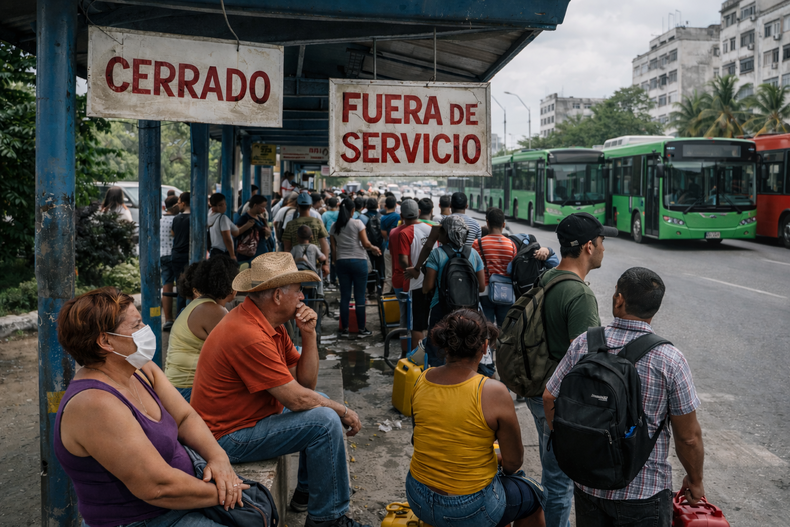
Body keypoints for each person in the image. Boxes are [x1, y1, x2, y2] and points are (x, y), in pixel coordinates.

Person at [191, 253, 370, 527]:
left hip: (250, 420)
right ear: (277, 296)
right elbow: (297, 399)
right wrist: (343, 409)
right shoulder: (248, 333)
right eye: (298, 292)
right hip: (227, 438)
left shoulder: (268, 322)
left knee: (320, 402)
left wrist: (309, 333)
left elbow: (305, 384)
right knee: (325, 420)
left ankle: (306, 494)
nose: (301, 298)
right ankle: (328, 520)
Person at [55, 287, 249, 527]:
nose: (145, 330)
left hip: (182, 498)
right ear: (105, 341)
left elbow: (185, 416)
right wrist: (230, 491)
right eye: (136, 326)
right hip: (143, 519)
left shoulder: (141, 370)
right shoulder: (94, 404)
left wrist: (219, 458)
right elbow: (157, 487)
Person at [543, 268, 704, 527]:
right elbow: (688, 437)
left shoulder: (584, 343)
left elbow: (550, 397)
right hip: (643, 493)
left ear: (619, 299)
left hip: (588, 485)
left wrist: (574, 444)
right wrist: (695, 481)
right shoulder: (670, 359)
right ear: (654, 309)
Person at [407, 309, 546, 527]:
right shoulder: (493, 391)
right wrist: (496, 458)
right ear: (484, 347)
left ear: (445, 344)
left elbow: (422, 439)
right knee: (532, 496)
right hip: (468, 508)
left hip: (418, 496)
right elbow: (513, 462)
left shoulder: (422, 379)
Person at [525, 212, 617, 527]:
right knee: (560, 484)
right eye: (603, 241)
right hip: (558, 400)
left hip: (538, 390)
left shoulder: (549, 277)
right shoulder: (579, 293)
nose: (605, 248)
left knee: (553, 474)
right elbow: (588, 363)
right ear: (589, 246)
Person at [165, 256, 238, 403]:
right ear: (230, 284)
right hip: (186, 390)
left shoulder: (201, 304)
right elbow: (238, 349)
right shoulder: (212, 310)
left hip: (176, 387)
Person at [421, 216, 486, 368]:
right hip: (468, 311)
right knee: (464, 349)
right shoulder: (473, 254)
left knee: (437, 349)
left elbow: (427, 287)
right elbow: (481, 287)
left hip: (441, 309)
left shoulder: (437, 254)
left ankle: (439, 384)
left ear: (446, 234)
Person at [472, 208, 547, 326]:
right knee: (504, 328)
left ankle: (490, 344)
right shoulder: (511, 245)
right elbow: (512, 269)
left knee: (487, 328)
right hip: (505, 291)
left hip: (484, 292)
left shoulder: (477, 243)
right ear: (504, 224)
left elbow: (474, 268)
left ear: (487, 222)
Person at [330, 198, 382, 338]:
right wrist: (374, 248)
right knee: (360, 296)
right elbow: (365, 244)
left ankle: (344, 330)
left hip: (342, 262)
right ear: (353, 210)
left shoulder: (334, 226)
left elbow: (333, 249)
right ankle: (361, 330)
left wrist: (336, 263)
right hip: (359, 262)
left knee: (345, 297)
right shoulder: (358, 223)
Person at [400, 198, 436, 343]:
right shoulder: (431, 229)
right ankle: (432, 358)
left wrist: (412, 271)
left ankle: (419, 360)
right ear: (419, 212)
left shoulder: (405, 233)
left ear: (401, 216)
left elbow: (403, 259)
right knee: (432, 323)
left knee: (417, 326)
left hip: (416, 285)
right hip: (433, 282)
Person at [282, 193, 331, 278]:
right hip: (315, 264)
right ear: (310, 205)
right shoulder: (317, 222)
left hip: (296, 265)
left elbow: (287, 248)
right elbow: (324, 244)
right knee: (317, 286)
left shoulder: (290, 224)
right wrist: (326, 264)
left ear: (298, 206)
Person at [388, 200, 415, 346]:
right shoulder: (423, 230)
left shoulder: (394, 232)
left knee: (404, 315)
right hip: (415, 280)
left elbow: (393, 255)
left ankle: (404, 349)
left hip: (398, 279)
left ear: (401, 215)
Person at [208, 193, 254, 260]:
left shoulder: (209, 215)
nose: (225, 206)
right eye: (224, 204)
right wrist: (232, 255)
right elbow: (227, 239)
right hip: (223, 253)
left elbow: (236, 232)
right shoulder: (223, 218)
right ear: (222, 204)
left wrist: (247, 225)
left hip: (213, 252)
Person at [235, 194, 272, 264]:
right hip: (249, 256)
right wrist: (246, 226)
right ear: (255, 205)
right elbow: (235, 233)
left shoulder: (260, 218)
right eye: (262, 207)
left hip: (261, 253)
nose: (264, 210)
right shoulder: (244, 218)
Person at [171, 192, 192, 315]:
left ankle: (179, 316)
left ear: (183, 203)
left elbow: (173, 234)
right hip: (188, 256)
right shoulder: (194, 219)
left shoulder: (176, 218)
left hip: (176, 256)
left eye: (178, 203)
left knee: (180, 289)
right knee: (190, 288)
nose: (178, 205)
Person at [161, 196, 180, 331]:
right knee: (180, 285)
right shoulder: (176, 219)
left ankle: (168, 319)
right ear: (174, 206)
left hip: (161, 255)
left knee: (166, 287)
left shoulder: (160, 219)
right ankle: (180, 317)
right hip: (173, 254)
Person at [380, 196, 400, 294]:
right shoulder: (399, 217)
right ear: (396, 205)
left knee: (388, 274)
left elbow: (384, 235)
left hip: (388, 248)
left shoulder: (383, 218)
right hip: (398, 250)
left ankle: (385, 296)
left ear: (385, 206)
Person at [364, 197, 386, 285]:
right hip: (381, 246)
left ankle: (370, 288)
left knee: (369, 268)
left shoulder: (362, 217)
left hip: (368, 247)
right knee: (380, 268)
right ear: (377, 206)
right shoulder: (382, 217)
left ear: (366, 206)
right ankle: (380, 286)